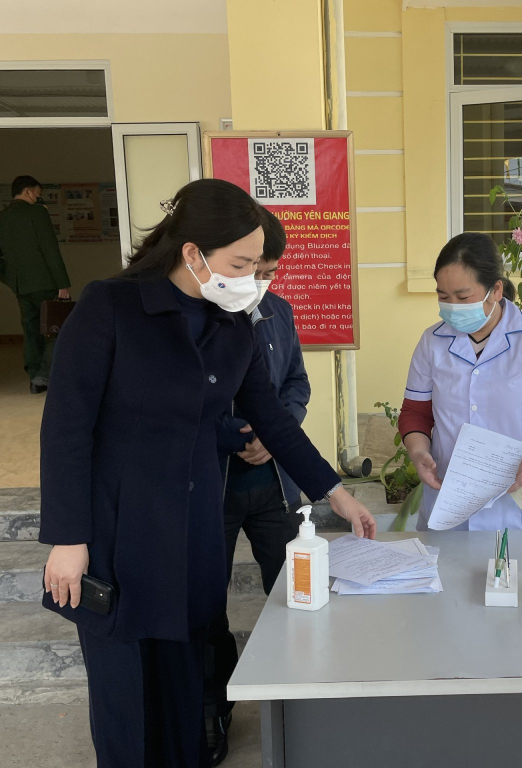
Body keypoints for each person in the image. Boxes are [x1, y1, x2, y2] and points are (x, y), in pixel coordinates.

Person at [39, 178, 376, 768]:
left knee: (185, 679)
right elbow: (67, 430)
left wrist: (335, 494)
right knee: (125, 690)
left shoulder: (230, 325)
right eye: (240, 263)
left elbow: (271, 418)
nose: (251, 278)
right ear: (193, 252)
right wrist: (69, 539)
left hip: (193, 530)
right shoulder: (110, 308)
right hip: (120, 531)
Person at [397, 232, 522, 531]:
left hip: (521, 504)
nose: (452, 306)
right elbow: (416, 412)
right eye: (443, 297)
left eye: (463, 297)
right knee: (449, 576)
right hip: (452, 500)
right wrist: (418, 451)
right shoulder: (431, 342)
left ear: (496, 290)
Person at [203, 210, 307, 765]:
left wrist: (276, 433)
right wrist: (234, 433)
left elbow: (295, 383)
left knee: (292, 592)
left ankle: (293, 698)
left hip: (274, 486)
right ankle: (213, 706)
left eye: (268, 271)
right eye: (250, 268)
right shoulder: (199, 314)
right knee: (205, 602)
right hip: (213, 484)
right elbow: (185, 398)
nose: (258, 282)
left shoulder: (278, 312)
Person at [0, 175, 71, 394]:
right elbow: (50, 250)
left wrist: (9, 278)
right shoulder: (37, 213)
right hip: (47, 283)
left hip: (21, 286)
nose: (38, 199)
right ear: (28, 191)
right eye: (37, 194)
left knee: (31, 330)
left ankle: (34, 378)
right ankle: (45, 374)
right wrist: (63, 283)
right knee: (55, 329)